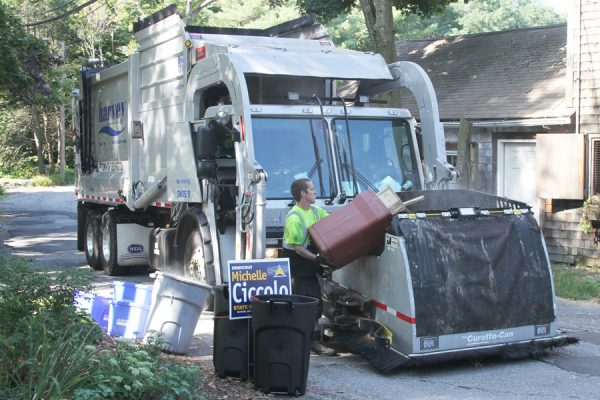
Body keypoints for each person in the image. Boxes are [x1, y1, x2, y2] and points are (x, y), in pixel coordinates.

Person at [282, 178, 336, 355]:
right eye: (312, 189)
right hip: (298, 269)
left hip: (309, 267)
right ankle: (304, 343)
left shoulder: (314, 211)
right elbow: (298, 249)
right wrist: (318, 259)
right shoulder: (294, 217)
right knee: (303, 306)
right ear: (303, 194)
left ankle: (311, 341)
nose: (315, 192)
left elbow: (332, 221)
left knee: (315, 305)